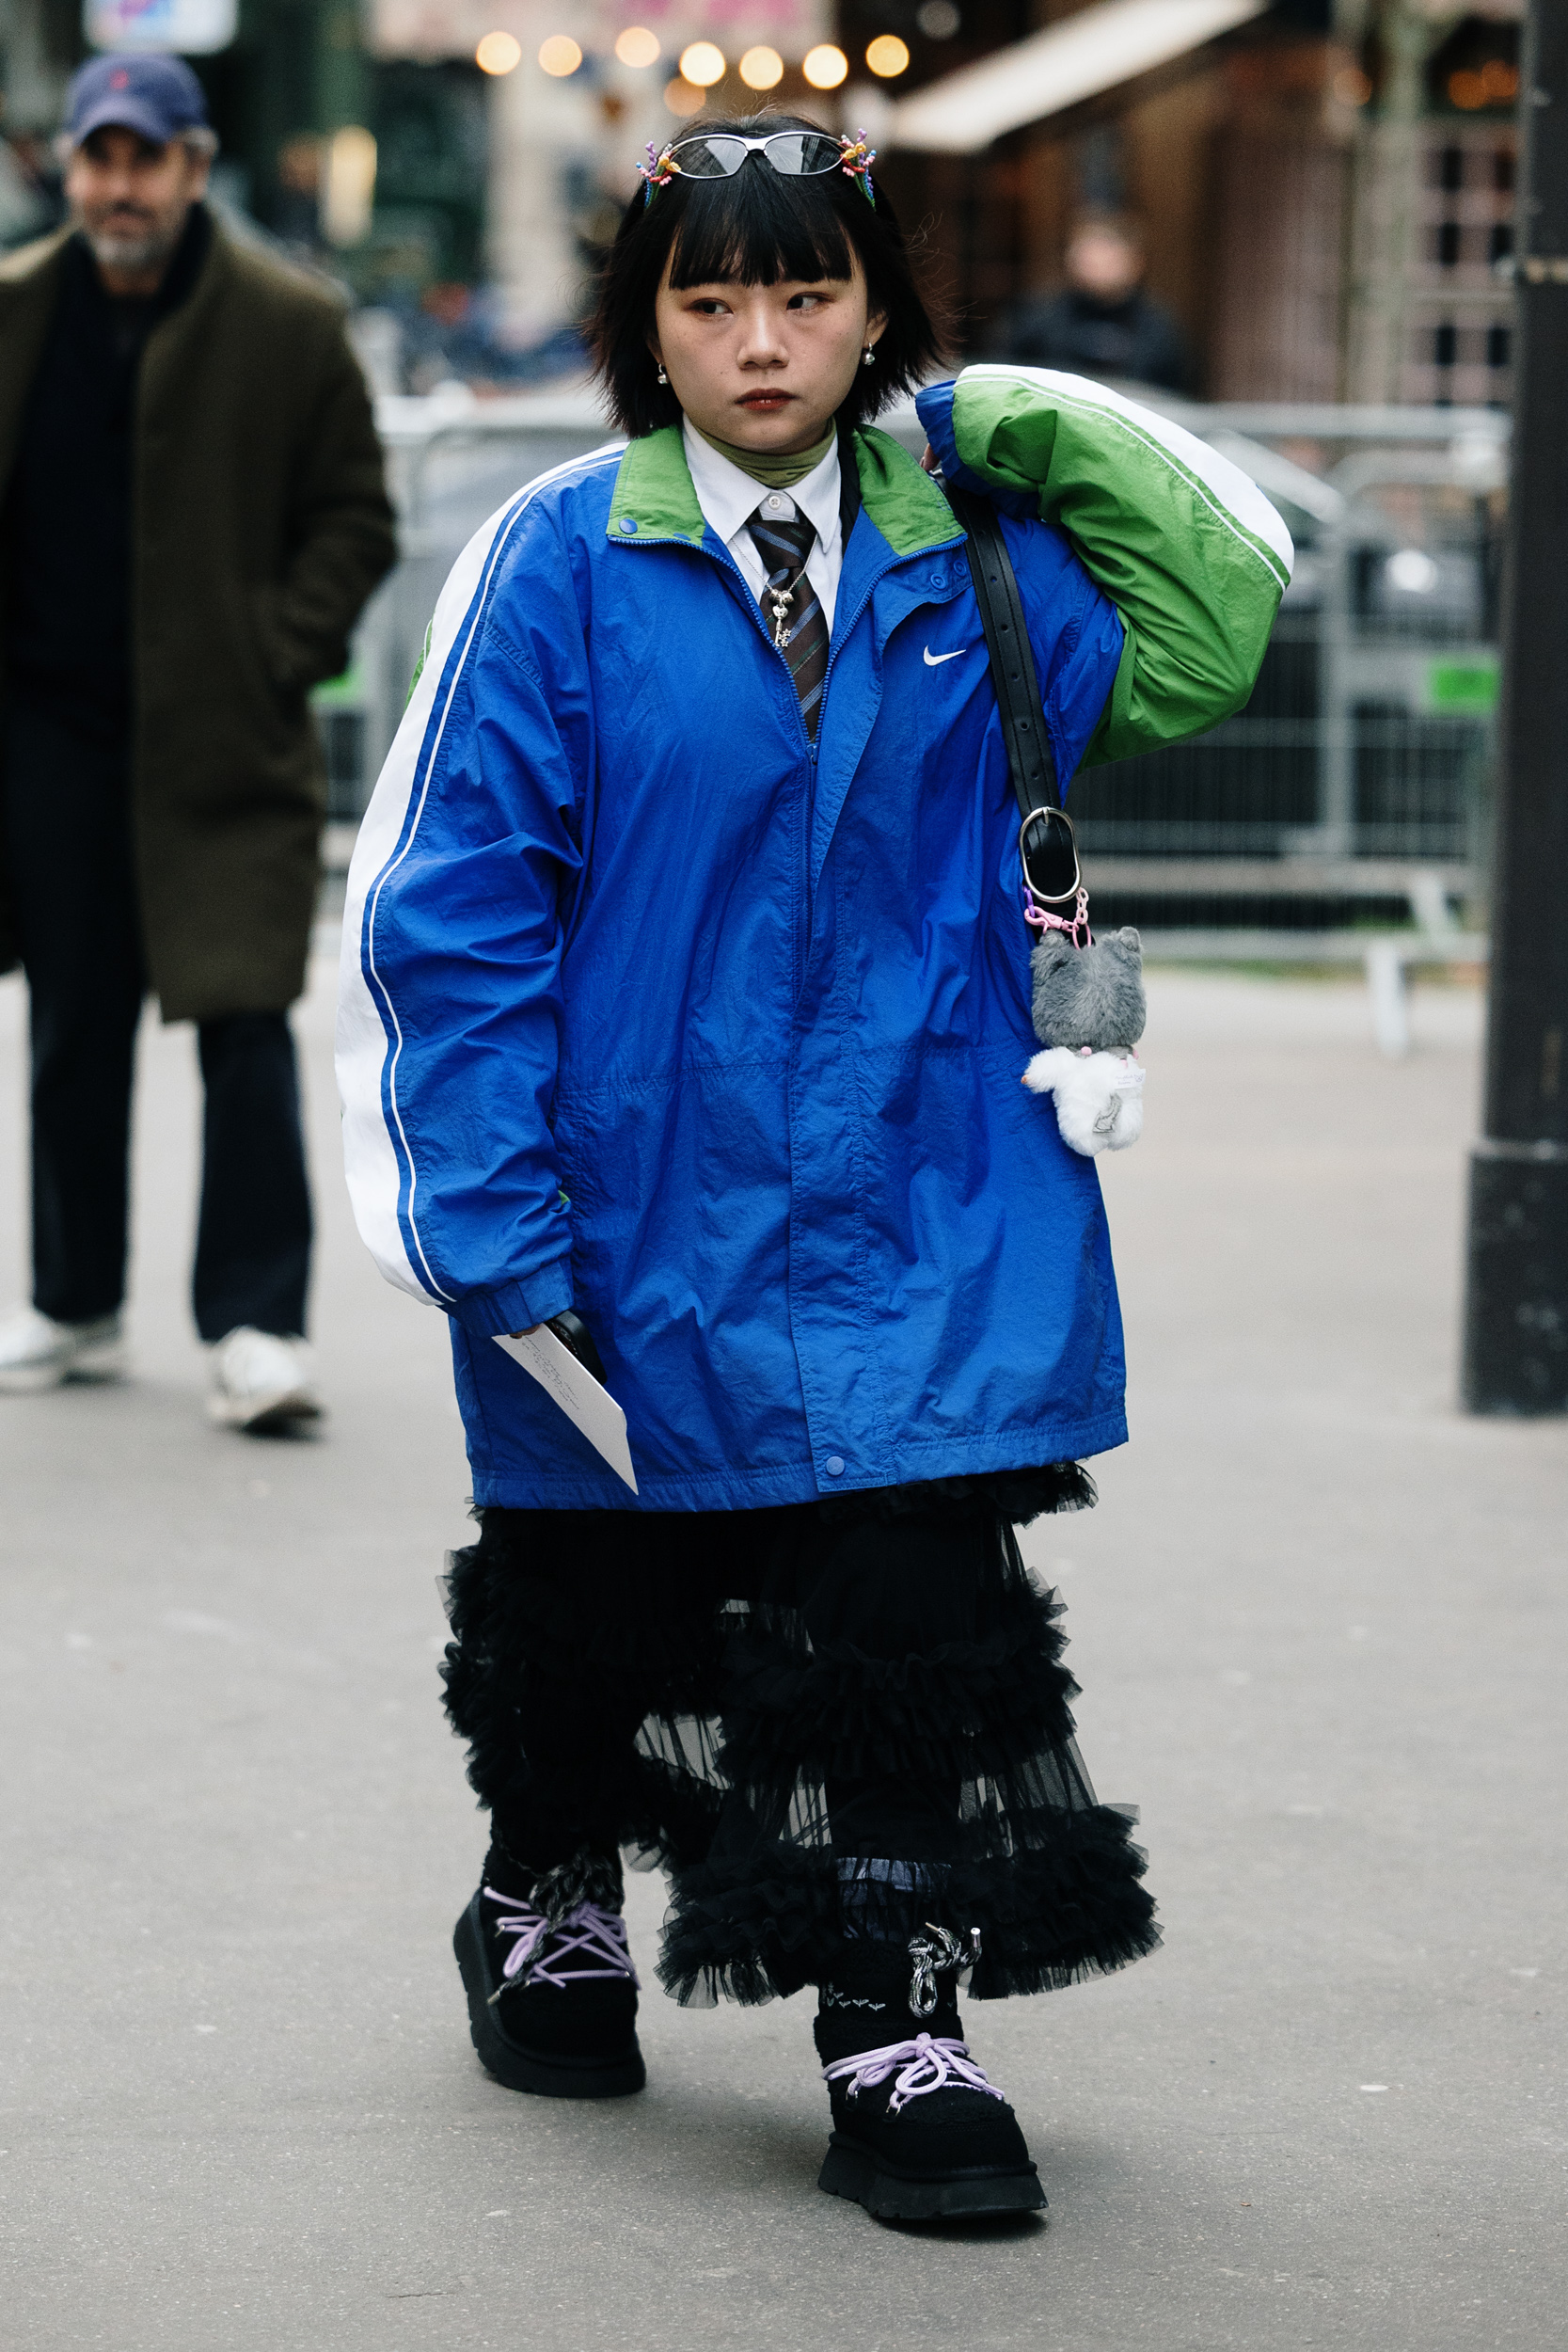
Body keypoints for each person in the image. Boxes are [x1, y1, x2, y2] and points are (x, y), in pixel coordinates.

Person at [337, 116, 1291, 2218]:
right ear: (643, 331)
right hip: (628, 1192)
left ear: (874, 309)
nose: (760, 341)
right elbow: (454, 903)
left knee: (906, 1605)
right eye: (707, 299)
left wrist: (1022, 414)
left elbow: (1225, 616)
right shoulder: (556, 562)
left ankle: (889, 2005)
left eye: (806, 292)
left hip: (924, 1189)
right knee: (600, 1586)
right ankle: (547, 1894)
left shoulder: (981, 553)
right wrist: (485, 1216)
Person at [0, 55, 396, 1427]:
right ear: (70, 167)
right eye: (97, 157)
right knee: (70, 1022)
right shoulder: (15, 310)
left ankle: (253, 1325)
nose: (118, 183)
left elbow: (354, 518)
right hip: (47, 737)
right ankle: (73, 1300)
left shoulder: (287, 321)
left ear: (191, 163)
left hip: (228, 739)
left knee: (238, 1023)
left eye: (144, 157)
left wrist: (271, 655)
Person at [989, 211, 1189, 393]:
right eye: (1089, 259)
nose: (1098, 269)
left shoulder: (1158, 328)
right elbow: (1003, 375)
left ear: (1135, 262)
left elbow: (1176, 392)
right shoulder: (1037, 316)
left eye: (1109, 259)